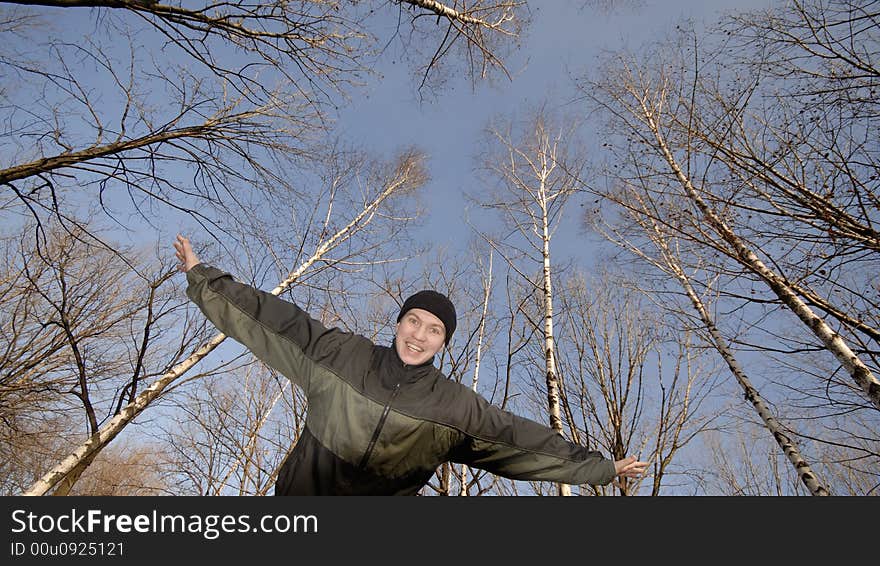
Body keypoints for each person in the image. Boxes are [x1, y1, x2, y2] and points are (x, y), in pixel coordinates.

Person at [174, 234, 648, 495]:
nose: (419, 335)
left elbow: (517, 439)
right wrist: (203, 279)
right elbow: (277, 321)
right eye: (414, 322)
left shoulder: (454, 407)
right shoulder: (342, 354)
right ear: (399, 323)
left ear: (443, 344)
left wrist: (601, 469)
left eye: (433, 330)